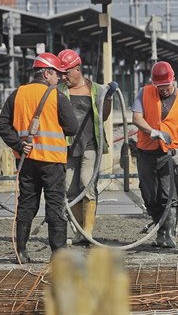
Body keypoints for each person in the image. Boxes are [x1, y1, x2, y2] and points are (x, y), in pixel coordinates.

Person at [0, 53, 78, 263]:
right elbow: (72, 127)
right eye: (57, 74)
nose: (60, 78)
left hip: (27, 161)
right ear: (48, 73)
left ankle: (21, 252)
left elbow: (3, 125)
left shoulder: (18, 94)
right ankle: (58, 255)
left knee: (26, 205)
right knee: (54, 205)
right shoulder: (56, 96)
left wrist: (18, 144)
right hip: (52, 161)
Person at [57, 49, 118, 245]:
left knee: (87, 183)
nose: (64, 76)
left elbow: (105, 115)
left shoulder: (96, 89)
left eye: (67, 72)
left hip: (90, 144)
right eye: (61, 73)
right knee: (69, 189)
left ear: (77, 68)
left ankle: (88, 231)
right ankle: (79, 230)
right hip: (68, 146)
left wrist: (108, 97)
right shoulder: (59, 91)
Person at [132, 61, 178, 248]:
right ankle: (160, 229)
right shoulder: (144, 93)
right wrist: (151, 131)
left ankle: (167, 234)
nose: (163, 90)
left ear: (173, 80)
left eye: (166, 86)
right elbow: (136, 117)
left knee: (169, 195)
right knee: (149, 194)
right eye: (159, 87)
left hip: (170, 153)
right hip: (147, 151)